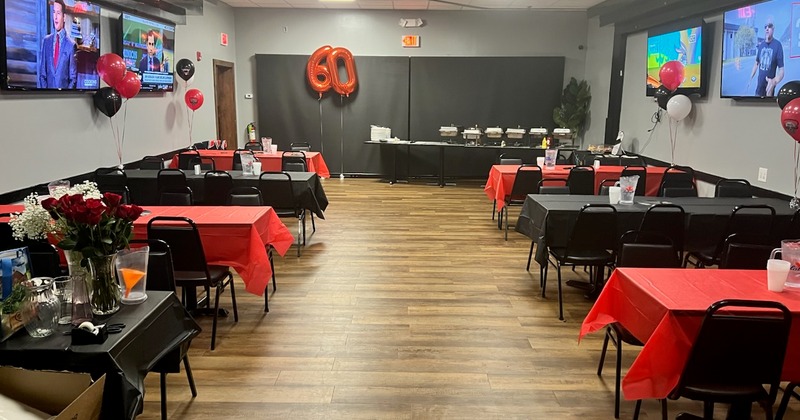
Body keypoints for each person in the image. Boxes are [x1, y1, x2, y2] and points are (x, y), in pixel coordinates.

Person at [37, 0, 77, 89]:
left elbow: (73, 79)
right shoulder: (46, 41)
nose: (55, 17)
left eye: (58, 13)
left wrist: (64, 97)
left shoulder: (71, 45)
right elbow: (42, 74)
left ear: (64, 17)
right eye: (54, 12)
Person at [747, 17, 784, 97]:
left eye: (769, 26)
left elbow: (781, 70)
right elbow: (756, 63)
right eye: (765, 27)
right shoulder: (761, 45)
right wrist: (751, 77)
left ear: (773, 29)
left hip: (769, 89)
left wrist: (775, 81)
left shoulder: (778, 45)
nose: (767, 28)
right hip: (759, 89)